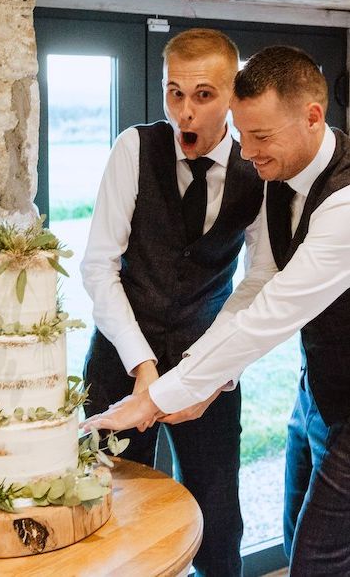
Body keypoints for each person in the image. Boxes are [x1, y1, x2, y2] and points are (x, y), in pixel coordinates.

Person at [83, 45, 350, 575]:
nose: (247, 152)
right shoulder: (277, 171)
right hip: (318, 389)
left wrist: (162, 394)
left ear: (312, 118)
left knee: (312, 560)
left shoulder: (342, 202)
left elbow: (272, 312)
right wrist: (178, 378)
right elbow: (260, 281)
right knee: (299, 537)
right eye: (243, 134)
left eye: (261, 136)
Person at [80, 28, 263, 577]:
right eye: (174, 93)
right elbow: (98, 266)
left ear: (233, 96)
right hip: (119, 362)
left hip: (208, 362)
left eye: (203, 95)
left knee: (218, 520)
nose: (185, 111)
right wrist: (143, 364)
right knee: (107, 514)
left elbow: (259, 283)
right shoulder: (134, 148)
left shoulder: (257, 168)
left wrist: (213, 373)